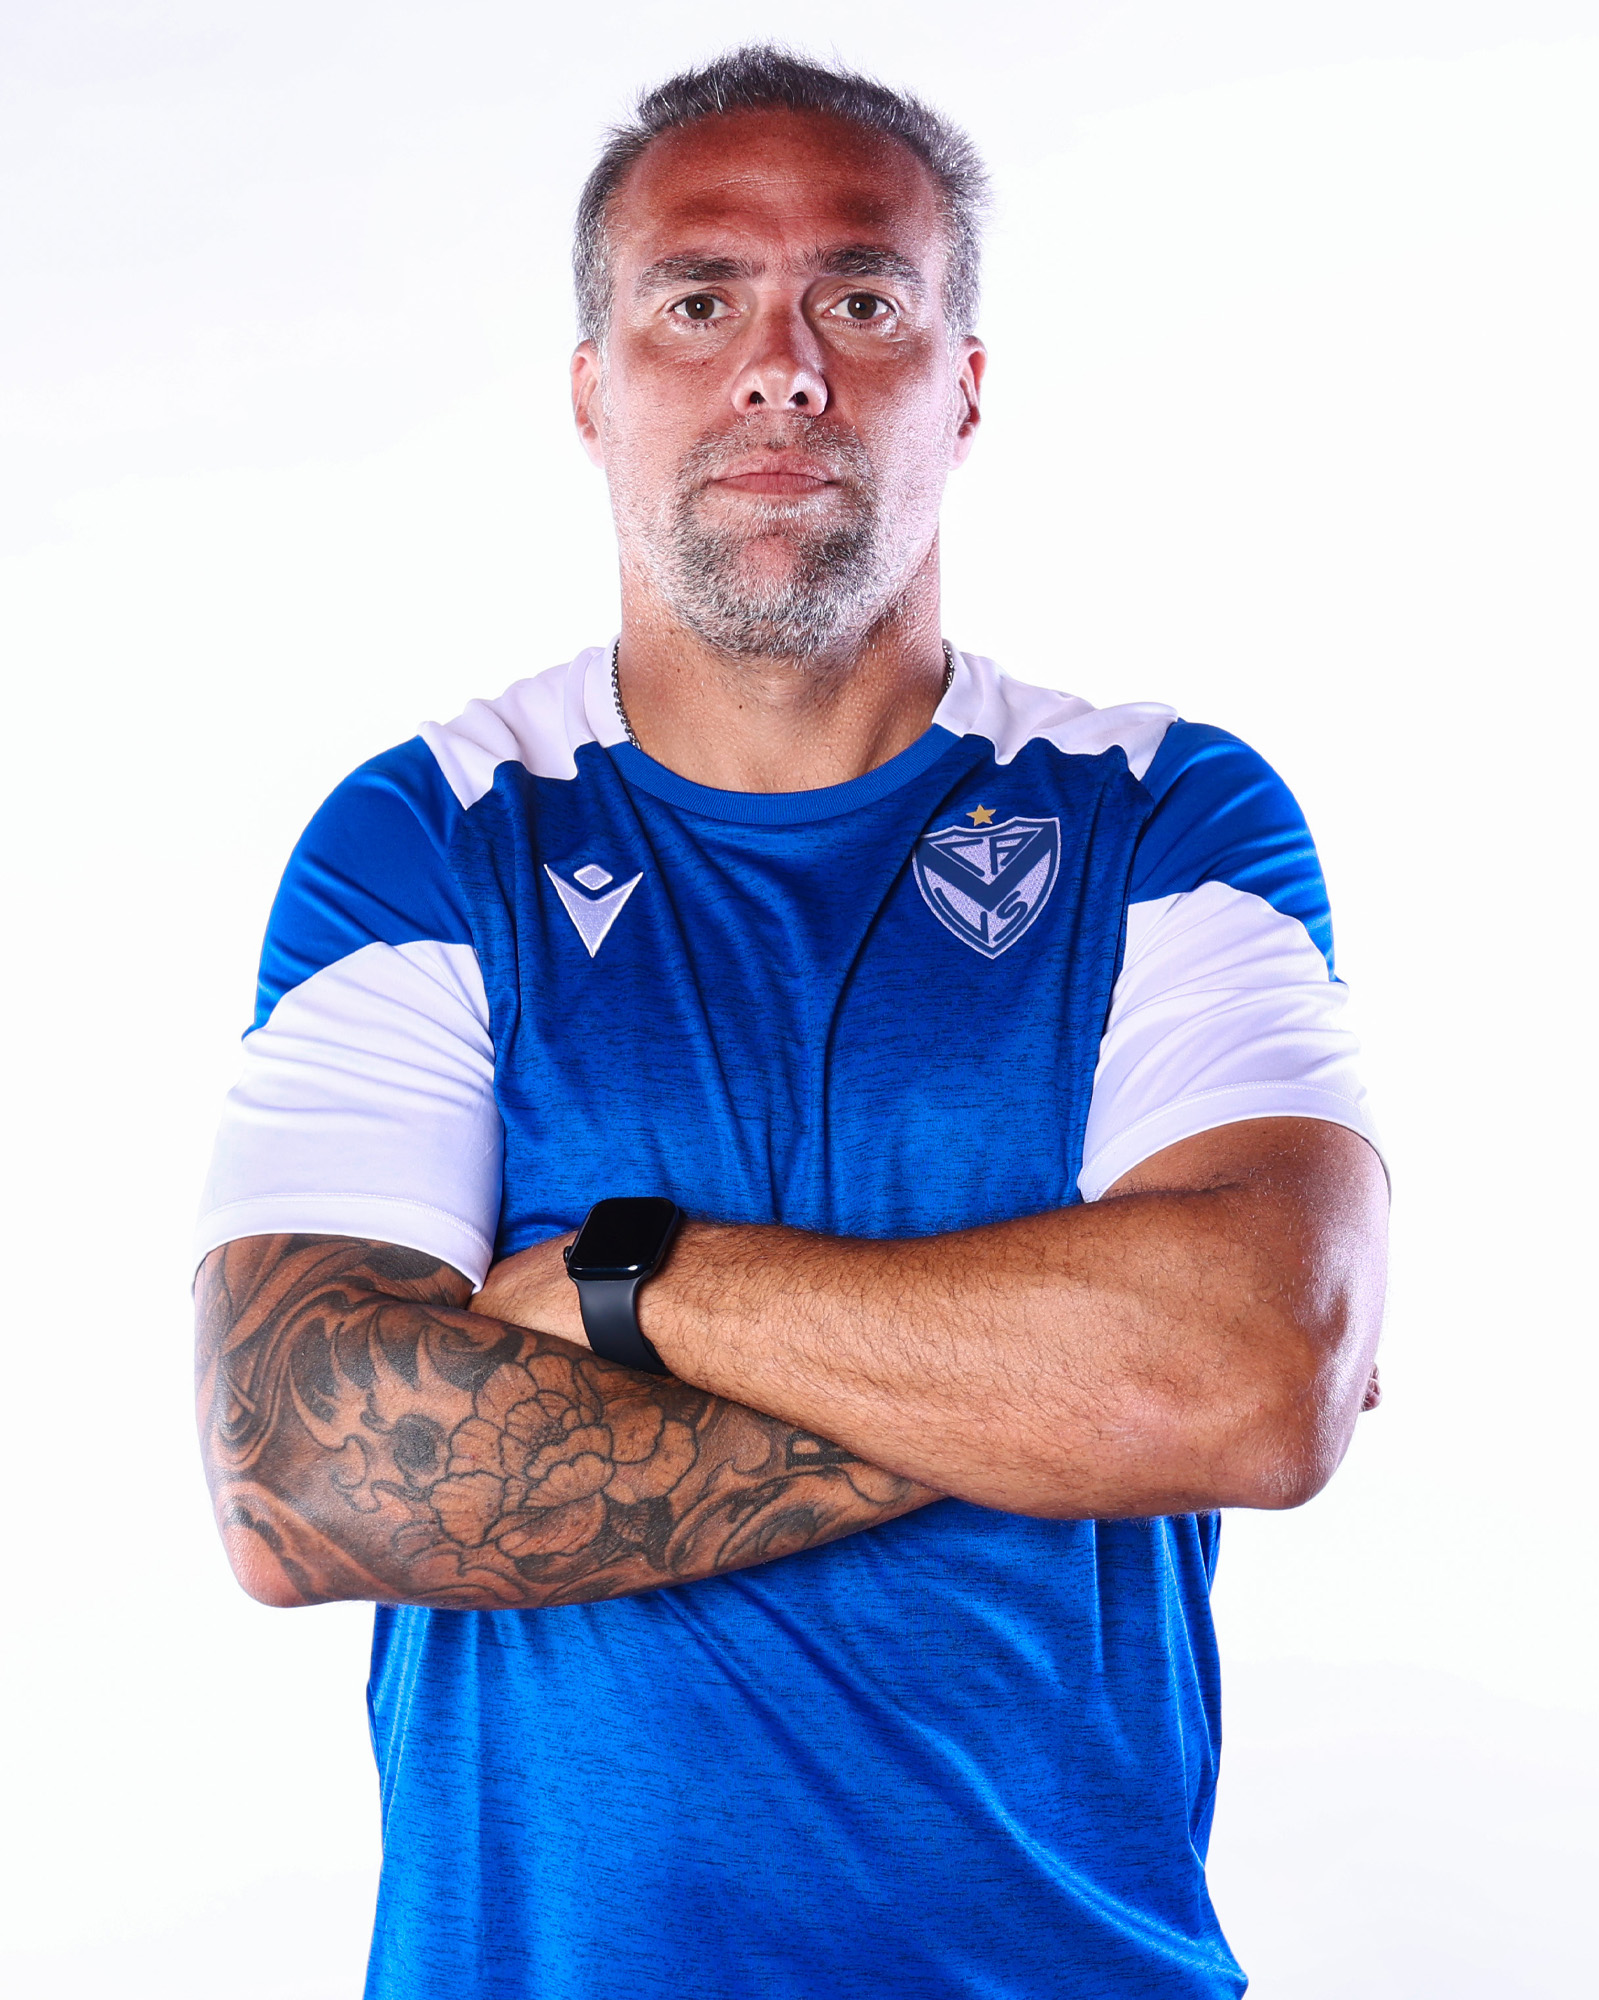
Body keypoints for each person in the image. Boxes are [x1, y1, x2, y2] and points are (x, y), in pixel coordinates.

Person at [194, 46, 1386, 2000]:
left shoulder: (1160, 818)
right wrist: (1067, 1385)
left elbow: (1254, 1371)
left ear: (963, 385)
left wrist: (632, 1281)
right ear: (593, 390)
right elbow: (304, 1474)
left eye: (860, 297)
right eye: (697, 301)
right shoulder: (430, 837)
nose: (781, 369)